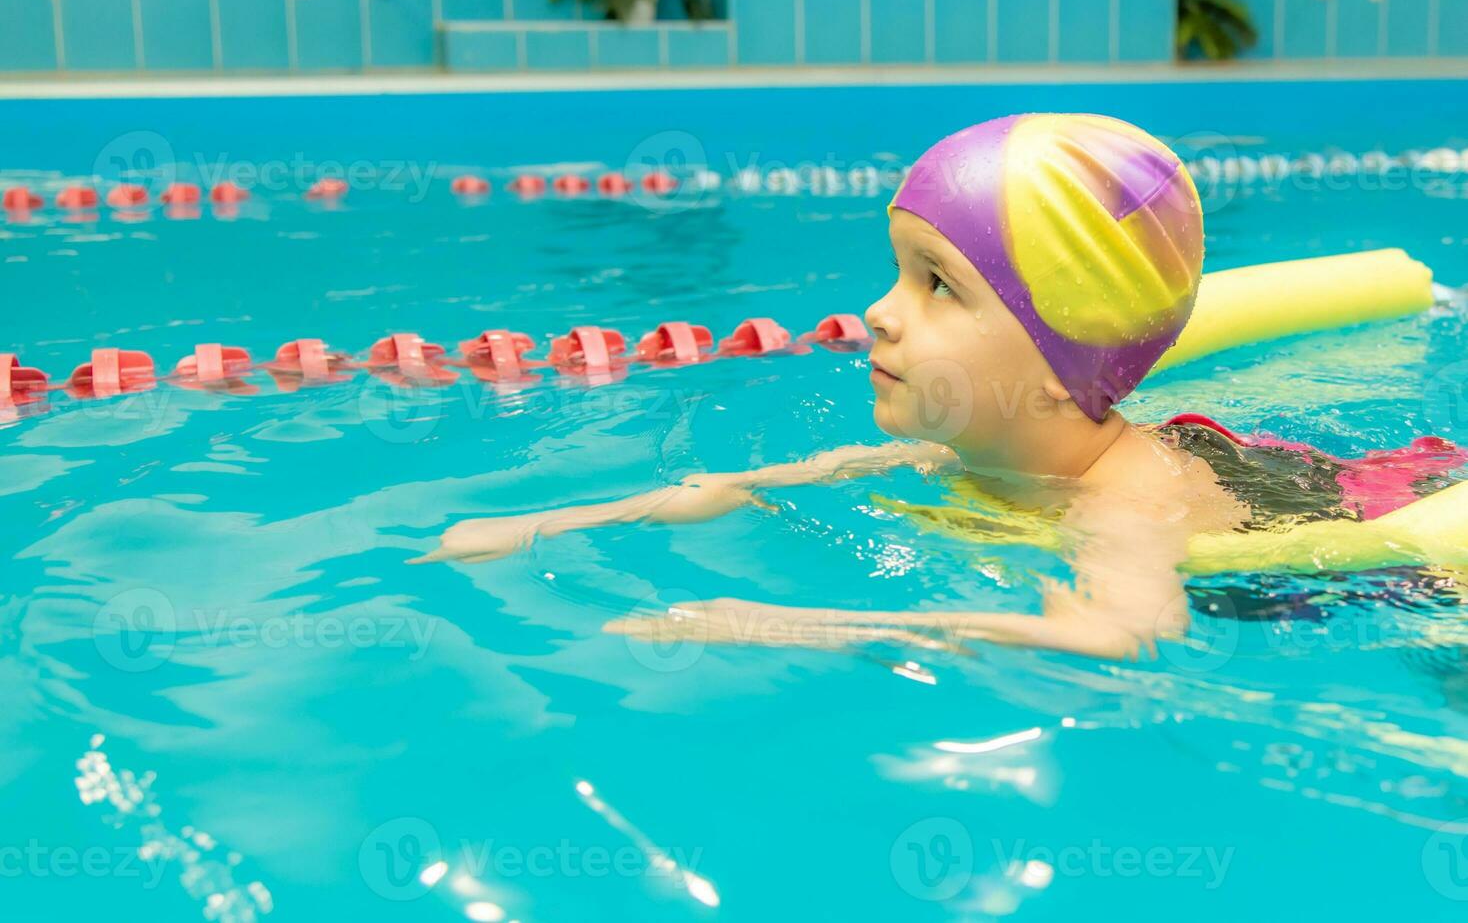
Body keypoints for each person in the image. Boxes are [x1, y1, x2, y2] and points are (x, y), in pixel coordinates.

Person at [409, 113, 1293, 659]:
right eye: (899, 272)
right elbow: (741, 486)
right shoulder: (953, 449)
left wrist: (795, 625)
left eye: (938, 282)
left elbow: (1122, 635)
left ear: (1064, 361)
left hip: (1355, 582)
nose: (878, 311)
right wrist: (541, 524)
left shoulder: (1125, 509)